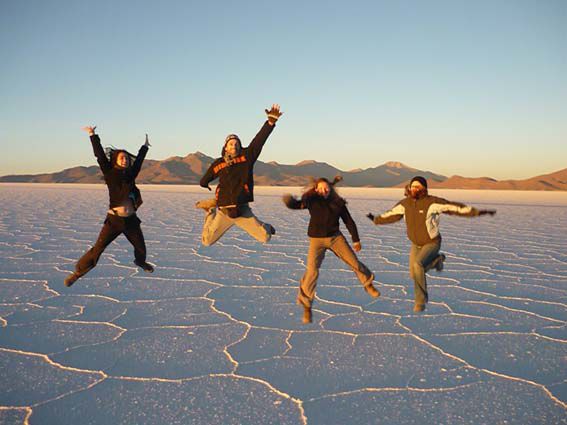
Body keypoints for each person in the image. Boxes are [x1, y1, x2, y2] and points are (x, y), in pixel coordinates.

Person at [367, 176, 496, 312]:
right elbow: (391, 214)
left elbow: (453, 207)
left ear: (424, 188)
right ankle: (437, 261)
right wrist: (376, 219)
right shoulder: (405, 204)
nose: (415, 189)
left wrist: (476, 212)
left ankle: (420, 302)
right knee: (414, 274)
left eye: (418, 186)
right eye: (413, 186)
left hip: (432, 243)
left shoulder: (431, 203)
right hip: (416, 244)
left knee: (418, 265)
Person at [64, 126, 154, 287]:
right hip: (114, 220)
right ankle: (78, 273)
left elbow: (138, 162)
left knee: (141, 247)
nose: (125, 160)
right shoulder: (110, 173)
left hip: (131, 220)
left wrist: (145, 147)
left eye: (126, 158)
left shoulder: (131, 174)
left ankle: (140, 262)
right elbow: (99, 155)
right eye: (122, 158)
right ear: (115, 160)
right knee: (98, 249)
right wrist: (92, 135)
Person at [283, 176, 381, 323]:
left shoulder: (338, 203)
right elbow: (297, 205)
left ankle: (368, 284)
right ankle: (306, 306)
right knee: (312, 271)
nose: (324, 190)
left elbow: (348, 221)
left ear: (330, 189)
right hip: (316, 241)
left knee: (354, 262)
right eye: (321, 188)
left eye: (326, 187)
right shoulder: (312, 200)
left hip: (335, 238)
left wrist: (356, 239)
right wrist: (289, 202)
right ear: (316, 189)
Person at [196, 104, 283, 246]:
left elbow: (259, 141)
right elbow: (205, 179)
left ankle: (265, 226)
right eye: (231, 144)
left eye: (236, 144)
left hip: (241, 209)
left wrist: (270, 123)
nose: (234, 146)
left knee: (265, 238)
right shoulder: (219, 163)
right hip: (224, 210)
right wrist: (204, 184)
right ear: (225, 147)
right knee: (206, 241)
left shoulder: (247, 157)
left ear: (240, 146)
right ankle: (209, 211)